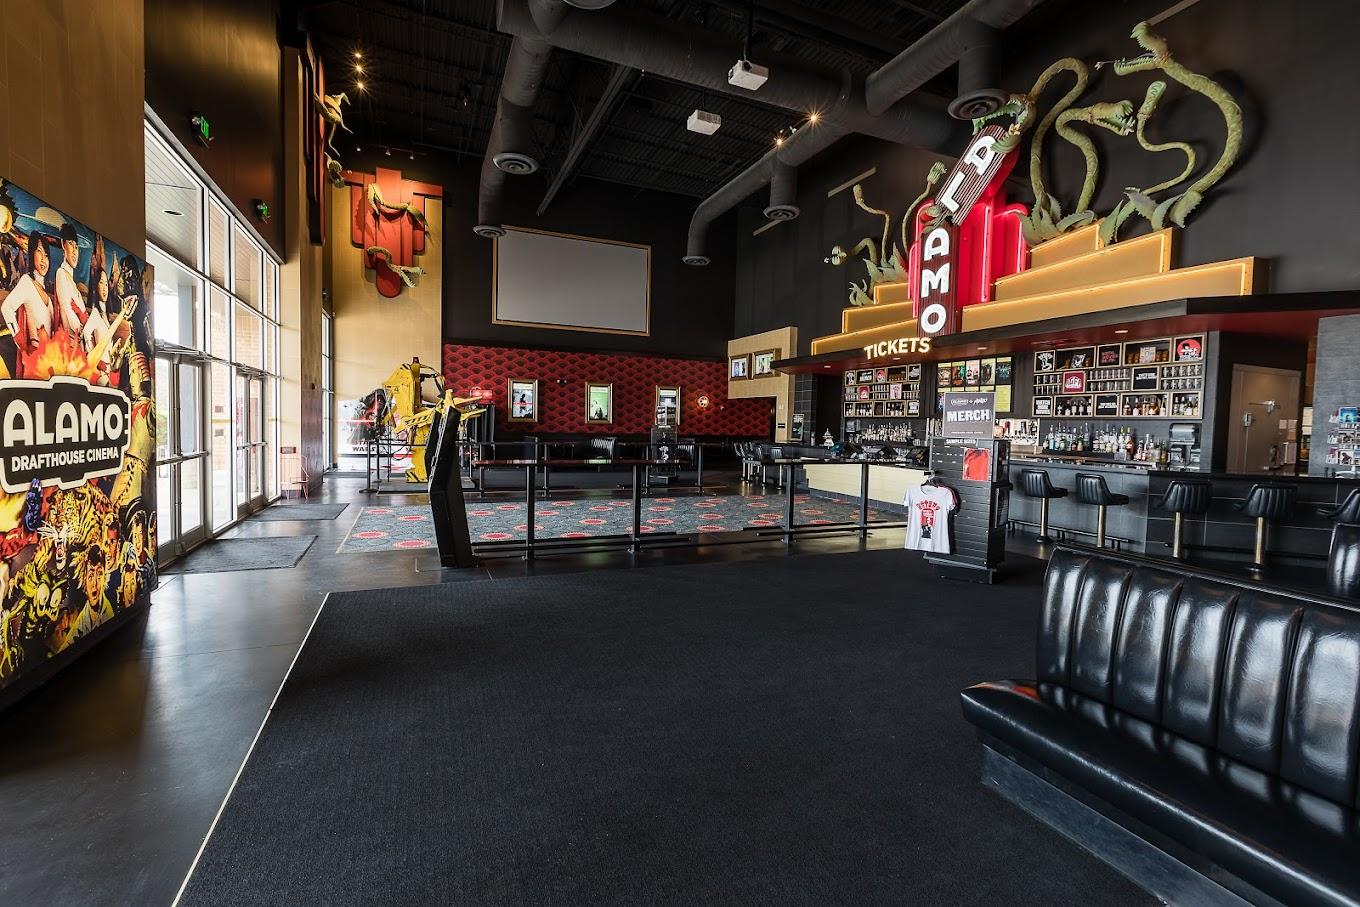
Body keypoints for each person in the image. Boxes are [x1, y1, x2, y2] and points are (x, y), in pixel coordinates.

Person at [0, 231, 56, 362]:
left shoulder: (47, 293)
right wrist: (22, 344)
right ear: (31, 253)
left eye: (46, 255)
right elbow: (6, 308)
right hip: (34, 360)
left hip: (50, 361)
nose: (43, 259)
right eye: (39, 251)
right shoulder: (27, 282)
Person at [53, 223, 87, 337]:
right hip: (70, 339)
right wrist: (82, 331)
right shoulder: (61, 273)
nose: (74, 251)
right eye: (71, 244)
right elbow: (67, 310)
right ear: (63, 245)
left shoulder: (72, 281)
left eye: (76, 247)